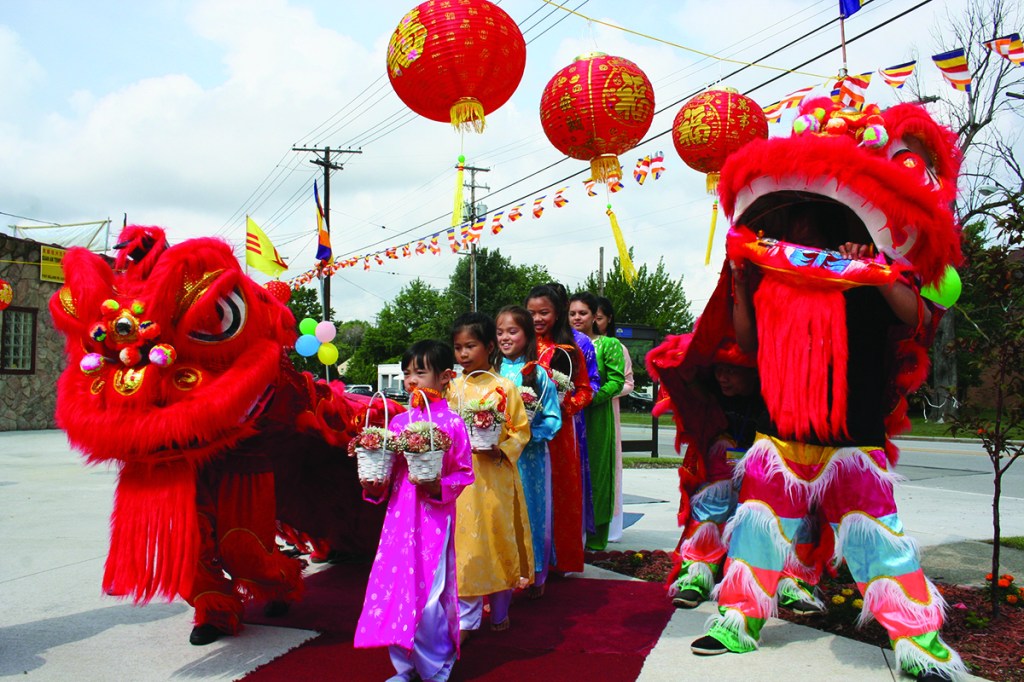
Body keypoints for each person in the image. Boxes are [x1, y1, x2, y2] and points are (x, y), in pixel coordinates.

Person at [691, 237, 966, 681]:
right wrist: (742, 284)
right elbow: (749, 340)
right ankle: (738, 622)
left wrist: (876, 271)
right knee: (757, 533)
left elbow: (915, 315)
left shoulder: (870, 268)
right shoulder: (775, 272)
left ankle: (919, 644)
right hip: (779, 430)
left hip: (852, 436)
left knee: (879, 542)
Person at [354, 340, 474, 682]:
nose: (411, 380)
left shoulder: (451, 423)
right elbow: (385, 476)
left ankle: (436, 664)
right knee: (394, 590)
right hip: (398, 520)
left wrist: (437, 485)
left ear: (444, 377)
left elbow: (464, 473)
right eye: (407, 373)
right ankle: (404, 667)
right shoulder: (397, 422)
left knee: (430, 594)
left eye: (420, 372)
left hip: (434, 520)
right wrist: (373, 486)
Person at [448, 312, 532, 637]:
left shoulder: (504, 387)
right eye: (458, 348)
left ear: (489, 346)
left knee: (497, 540)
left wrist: (501, 449)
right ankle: (467, 617)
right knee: (467, 545)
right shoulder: (452, 388)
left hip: (495, 477)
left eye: (470, 346)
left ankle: (499, 610)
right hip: (461, 481)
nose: (463, 354)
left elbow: (520, 431)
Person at [496, 305, 563, 598]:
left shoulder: (537, 374)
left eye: (512, 331)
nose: (505, 338)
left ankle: (535, 573)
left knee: (530, 512)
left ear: (527, 335)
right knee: (499, 515)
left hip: (529, 458)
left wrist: (528, 435)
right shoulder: (490, 371)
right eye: (500, 332)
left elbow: (552, 418)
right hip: (494, 458)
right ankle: (500, 576)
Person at [526, 284, 593, 573]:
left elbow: (585, 391)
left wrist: (565, 404)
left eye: (544, 312)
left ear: (557, 314)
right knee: (528, 493)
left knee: (559, 491)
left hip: (560, 433)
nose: (537, 319)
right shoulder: (520, 345)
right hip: (525, 432)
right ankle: (529, 559)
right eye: (531, 313)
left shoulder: (568, 350)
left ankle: (558, 559)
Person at [568, 292, 626, 550]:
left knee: (598, 473)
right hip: (568, 415)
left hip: (596, 415)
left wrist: (590, 398)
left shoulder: (608, 344)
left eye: (583, 313)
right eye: (572, 313)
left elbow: (617, 381)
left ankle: (596, 536)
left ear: (594, 316)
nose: (577, 318)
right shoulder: (566, 344)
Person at [547, 281, 601, 536]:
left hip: (569, 421)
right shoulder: (526, 340)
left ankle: (568, 538)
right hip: (529, 422)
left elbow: (589, 385)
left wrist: (568, 405)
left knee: (567, 480)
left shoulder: (579, 342)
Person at [593, 296, 634, 543]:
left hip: (606, 410)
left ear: (608, 320)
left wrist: (603, 393)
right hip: (582, 411)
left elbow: (628, 382)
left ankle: (609, 523)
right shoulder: (575, 345)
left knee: (607, 465)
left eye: (598, 317)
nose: (593, 322)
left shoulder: (615, 346)